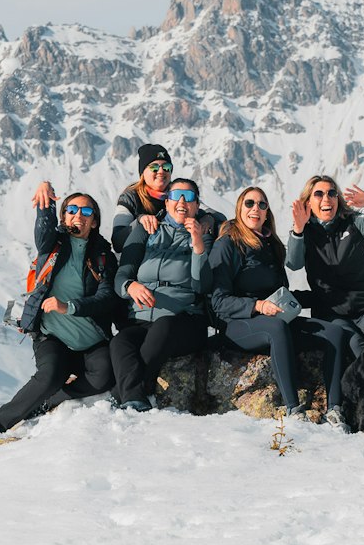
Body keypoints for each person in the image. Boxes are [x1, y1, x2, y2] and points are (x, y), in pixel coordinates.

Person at [0, 182, 118, 440]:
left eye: (85, 212)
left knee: (104, 377)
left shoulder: (104, 255)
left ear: (94, 222)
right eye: (71, 210)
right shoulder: (53, 245)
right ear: (64, 216)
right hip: (52, 336)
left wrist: (69, 307)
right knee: (49, 376)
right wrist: (45, 204)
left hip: (89, 339)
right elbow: (43, 232)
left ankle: (50, 402)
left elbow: (106, 298)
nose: (78, 216)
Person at [210, 186, 348, 417]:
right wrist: (257, 306)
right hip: (237, 324)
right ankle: (293, 407)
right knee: (277, 327)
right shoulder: (227, 244)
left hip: (274, 317)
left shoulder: (271, 245)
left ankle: (335, 407)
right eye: (250, 203)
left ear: (267, 213)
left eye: (262, 205)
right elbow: (218, 301)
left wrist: (320, 295)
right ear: (239, 209)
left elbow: (280, 293)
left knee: (334, 333)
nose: (256, 209)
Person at [109, 178, 213, 410]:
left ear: (198, 206)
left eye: (189, 198)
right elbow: (121, 274)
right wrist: (130, 286)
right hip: (142, 319)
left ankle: (126, 391)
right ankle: (135, 397)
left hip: (184, 321)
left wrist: (197, 244)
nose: (182, 202)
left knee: (164, 327)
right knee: (120, 342)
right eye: (176, 196)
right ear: (166, 202)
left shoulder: (204, 234)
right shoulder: (146, 230)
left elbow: (202, 285)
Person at [286, 175, 364, 358]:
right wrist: (298, 229)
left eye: (331, 193)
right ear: (308, 202)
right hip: (332, 314)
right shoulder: (304, 233)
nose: (326, 198)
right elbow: (293, 263)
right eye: (319, 194)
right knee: (357, 347)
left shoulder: (353, 223)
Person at [111, 143, 225, 253]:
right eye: (154, 168)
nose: (161, 171)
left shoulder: (177, 195)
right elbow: (117, 241)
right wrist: (139, 221)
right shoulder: (130, 197)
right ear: (143, 173)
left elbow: (219, 217)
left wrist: (208, 218)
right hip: (138, 260)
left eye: (166, 167)